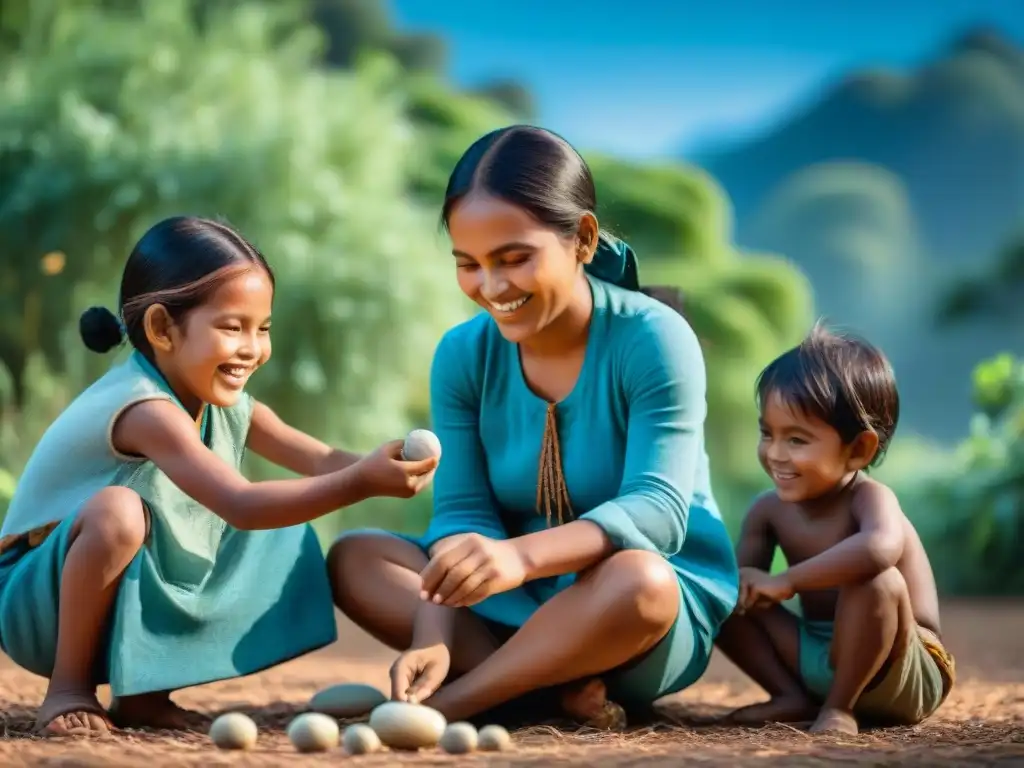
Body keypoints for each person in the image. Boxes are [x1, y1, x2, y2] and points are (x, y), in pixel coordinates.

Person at [328, 125, 739, 728]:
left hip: (634, 615)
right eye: (468, 265)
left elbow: (658, 511)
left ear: (584, 239)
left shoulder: (653, 338)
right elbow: (463, 513)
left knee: (639, 580)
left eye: (514, 258)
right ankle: (548, 694)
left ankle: (459, 704)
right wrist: (435, 631)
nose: (491, 288)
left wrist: (519, 558)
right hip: (510, 603)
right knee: (357, 559)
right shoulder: (462, 355)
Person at [0, 216, 438, 736]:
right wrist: (362, 481)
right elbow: (241, 503)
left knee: (282, 524)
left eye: (263, 328)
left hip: (107, 599)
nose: (252, 348)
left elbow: (321, 461)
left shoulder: (222, 402)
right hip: (39, 603)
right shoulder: (146, 410)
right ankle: (69, 688)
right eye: (232, 327)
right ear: (162, 329)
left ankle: (142, 695)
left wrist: (392, 465)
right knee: (120, 513)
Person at [714, 325, 956, 735]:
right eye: (767, 433)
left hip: (899, 669)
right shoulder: (767, 511)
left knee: (877, 581)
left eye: (796, 440)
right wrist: (741, 586)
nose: (774, 453)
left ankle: (839, 708)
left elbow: (879, 550)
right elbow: (744, 594)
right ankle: (790, 695)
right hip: (814, 655)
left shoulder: (871, 500)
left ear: (858, 449)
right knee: (719, 596)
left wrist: (786, 580)